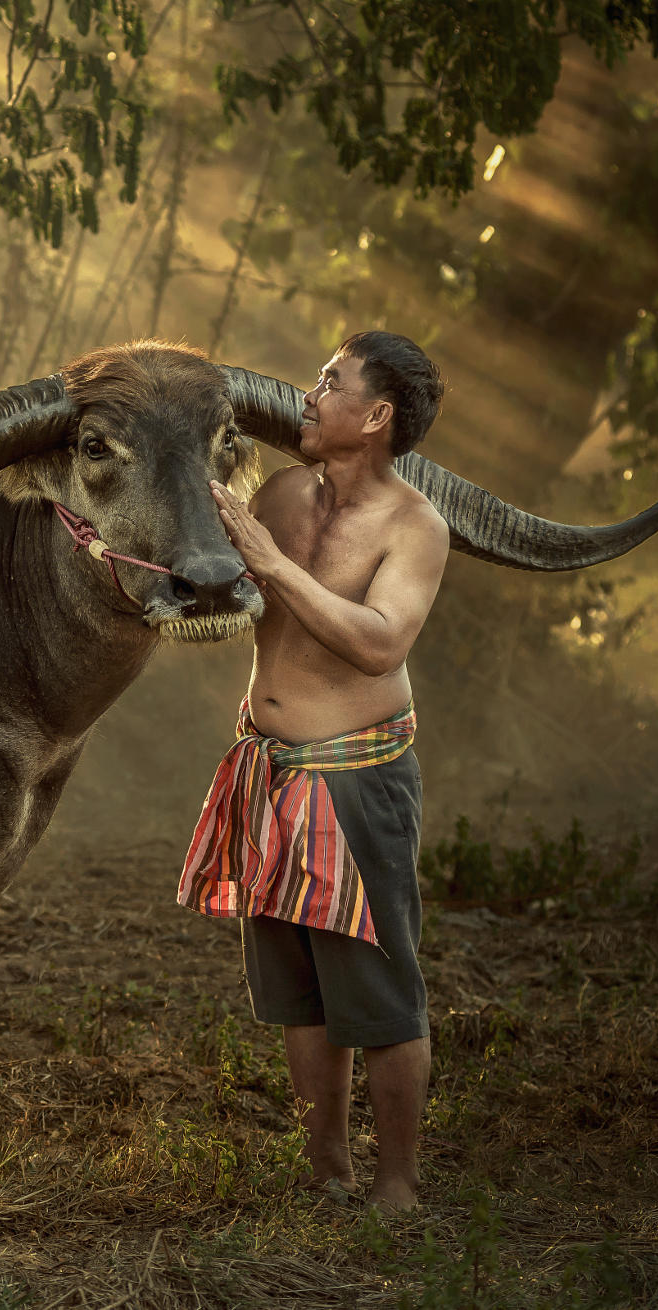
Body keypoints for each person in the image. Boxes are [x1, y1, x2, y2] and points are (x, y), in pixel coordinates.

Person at [182, 330, 449, 1212]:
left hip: (355, 780)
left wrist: (269, 562)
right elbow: (233, 587)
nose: (309, 392)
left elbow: (379, 643)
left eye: (330, 383)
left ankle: (398, 1185)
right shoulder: (284, 492)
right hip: (270, 771)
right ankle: (326, 1171)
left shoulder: (414, 527)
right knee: (297, 994)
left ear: (374, 417)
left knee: (375, 988)